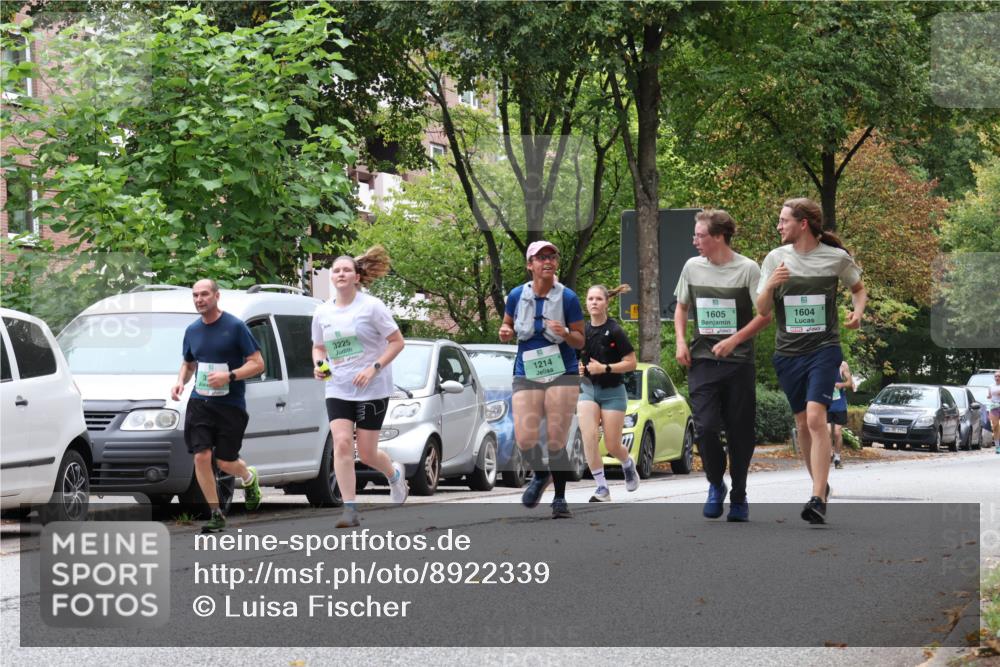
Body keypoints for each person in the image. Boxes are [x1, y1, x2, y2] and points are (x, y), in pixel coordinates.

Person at [757, 198, 867, 525]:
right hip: (788, 354)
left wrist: (858, 313)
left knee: (817, 418)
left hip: (824, 349)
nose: (779, 226)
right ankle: (820, 484)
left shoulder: (835, 258)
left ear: (802, 223)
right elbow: (762, 309)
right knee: (803, 424)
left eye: (784, 220)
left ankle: (817, 498)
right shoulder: (775, 259)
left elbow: (858, 289)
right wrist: (771, 284)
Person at [674, 209, 772, 522]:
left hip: (739, 362)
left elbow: (765, 315)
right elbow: (681, 307)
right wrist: (680, 341)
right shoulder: (692, 267)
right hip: (702, 360)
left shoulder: (748, 269)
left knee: (740, 431)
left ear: (718, 237)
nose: (694, 241)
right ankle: (716, 483)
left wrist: (734, 340)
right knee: (704, 428)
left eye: (700, 235)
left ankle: (739, 494)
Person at [311, 246, 407, 529]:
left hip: (372, 388)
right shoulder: (322, 312)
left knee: (366, 453)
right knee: (341, 443)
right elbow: (318, 347)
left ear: (356, 277)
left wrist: (373, 367)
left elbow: (397, 342)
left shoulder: (372, 307)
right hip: (338, 387)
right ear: (332, 277)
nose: (341, 274)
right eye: (336, 270)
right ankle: (350, 509)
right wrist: (320, 365)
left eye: (346, 270)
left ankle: (394, 476)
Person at [499, 240, 585, 519]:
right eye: (541, 257)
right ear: (530, 265)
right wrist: (505, 331)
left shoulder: (568, 298)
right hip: (527, 370)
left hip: (562, 370)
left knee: (556, 439)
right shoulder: (516, 295)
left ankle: (559, 498)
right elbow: (507, 324)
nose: (547, 261)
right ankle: (541, 474)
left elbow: (580, 339)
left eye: (552, 257)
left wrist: (565, 333)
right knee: (524, 438)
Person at [170, 279, 265, 533]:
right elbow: (189, 363)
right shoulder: (192, 330)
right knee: (201, 456)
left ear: (216, 296)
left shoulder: (235, 327)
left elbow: (258, 363)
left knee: (225, 462)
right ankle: (216, 513)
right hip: (200, 402)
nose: (199, 299)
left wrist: (229, 376)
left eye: (204, 294)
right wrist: (180, 382)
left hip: (230, 404)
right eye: (195, 295)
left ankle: (248, 476)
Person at [577, 284, 639, 502]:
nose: (594, 302)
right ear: (586, 303)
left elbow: (631, 363)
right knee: (589, 437)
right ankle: (602, 488)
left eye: (598, 299)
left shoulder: (615, 331)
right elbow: (577, 358)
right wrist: (579, 367)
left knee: (612, 445)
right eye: (590, 299)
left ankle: (627, 463)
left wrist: (605, 368)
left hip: (613, 391)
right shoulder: (582, 331)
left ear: (606, 302)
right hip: (587, 389)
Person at [828, 360, 853, 469]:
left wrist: (841, 384)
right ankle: (829, 453)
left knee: (837, 432)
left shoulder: (842, 365)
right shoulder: (821, 362)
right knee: (828, 431)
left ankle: (837, 458)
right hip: (826, 403)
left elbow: (850, 383)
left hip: (839, 404)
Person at [989, 371, 1000, 454]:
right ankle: (997, 447)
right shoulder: (991, 386)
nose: (997, 378)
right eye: (996, 376)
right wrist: (989, 397)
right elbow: (989, 396)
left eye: (999, 376)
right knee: (995, 427)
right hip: (994, 407)